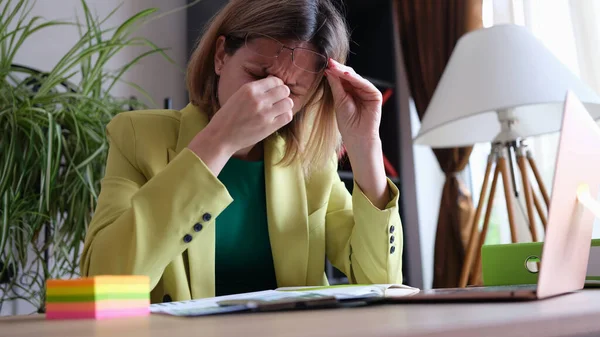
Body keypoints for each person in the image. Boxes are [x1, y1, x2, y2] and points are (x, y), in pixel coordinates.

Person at [80, 0, 403, 303]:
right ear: (221, 56)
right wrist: (218, 142)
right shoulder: (138, 137)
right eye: (258, 75)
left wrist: (366, 148)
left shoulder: (311, 161)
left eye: (291, 91)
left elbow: (381, 282)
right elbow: (104, 285)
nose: (267, 97)